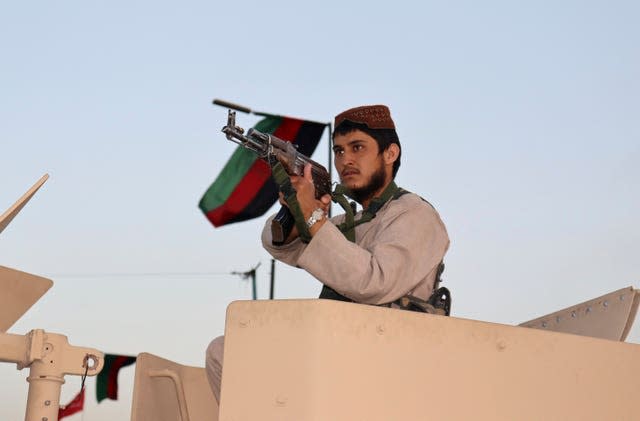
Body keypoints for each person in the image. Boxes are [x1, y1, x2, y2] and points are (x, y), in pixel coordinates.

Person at [205, 104, 450, 404]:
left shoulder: (415, 214)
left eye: (357, 147)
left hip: (388, 361)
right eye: (338, 151)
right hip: (338, 351)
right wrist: (296, 209)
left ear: (390, 154)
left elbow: (374, 281)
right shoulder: (353, 221)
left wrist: (313, 218)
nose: (345, 160)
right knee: (225, 353)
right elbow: (278, 244)